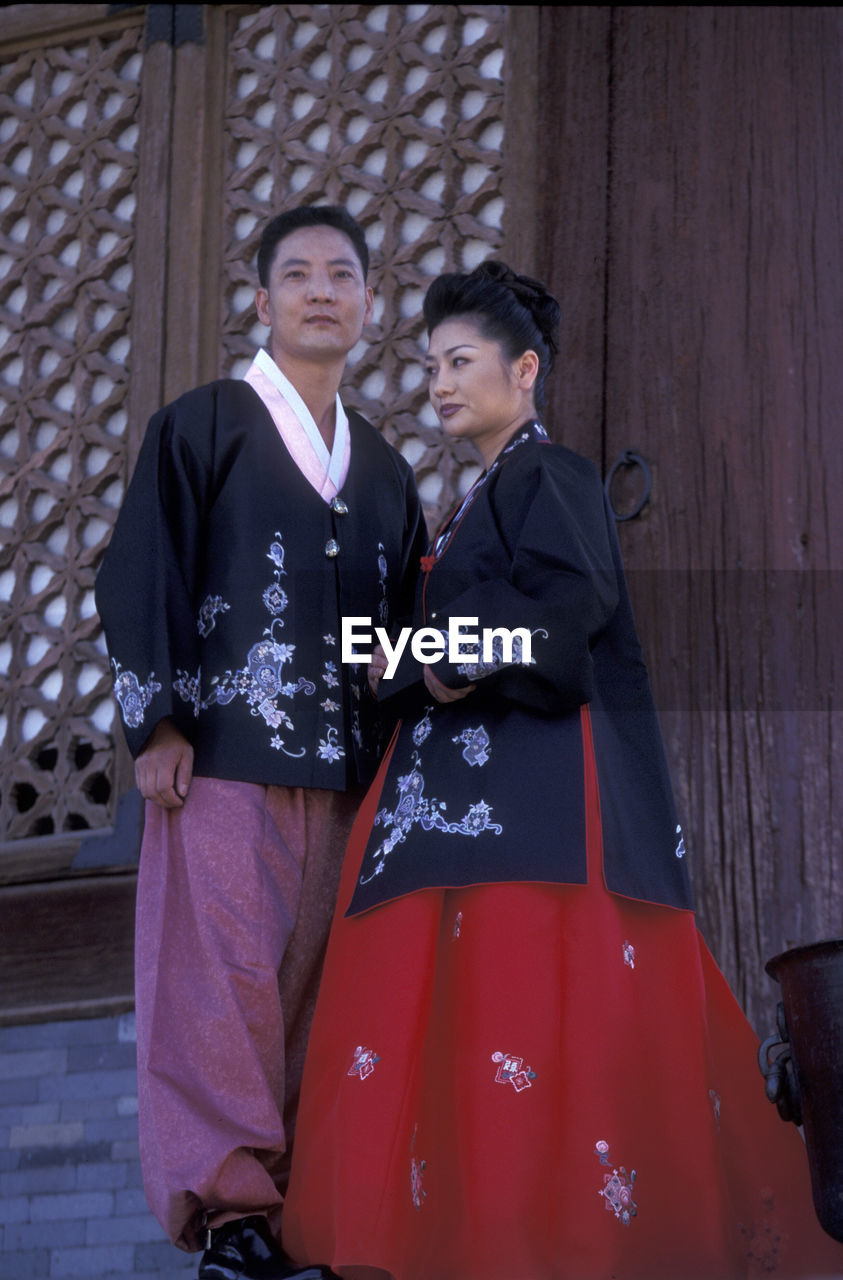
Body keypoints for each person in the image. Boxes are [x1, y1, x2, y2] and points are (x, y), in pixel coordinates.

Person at [279, 261, 843, 1279]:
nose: (440, 382)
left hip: (523, 787)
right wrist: (399, 656)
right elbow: (433, 642)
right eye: (431, 364)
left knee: (518, 1001)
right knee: (464, 1012)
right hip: (460, 793)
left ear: (525, 368)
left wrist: (442, 656)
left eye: (461, 361)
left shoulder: (550, 474)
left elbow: (575, 604)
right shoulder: (472, 501)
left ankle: (550, 1239)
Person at [95, 205, 427, 1280]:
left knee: (313, 989)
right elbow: (139, 568)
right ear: (262, 300)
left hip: (342, 771)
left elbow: (396, 627)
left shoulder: (381, 468)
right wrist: (158, 721)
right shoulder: (205, 423)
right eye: (298, 274)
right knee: (220, 980)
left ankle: (292, 1217)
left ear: (370, 306)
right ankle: (230, 1217)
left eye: (342, 273)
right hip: (224, 756)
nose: (321, 289)